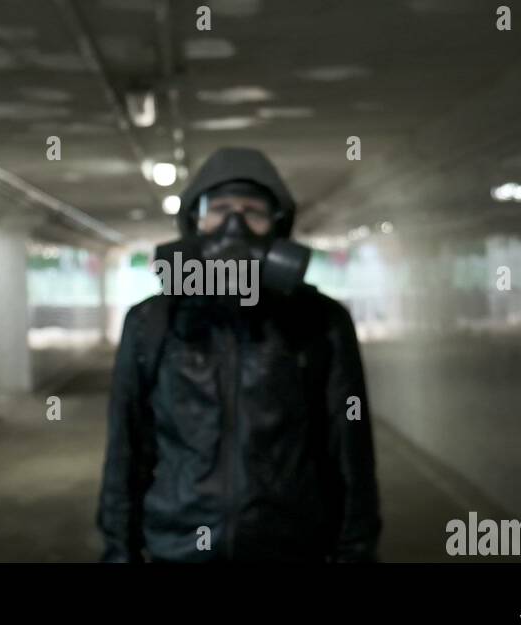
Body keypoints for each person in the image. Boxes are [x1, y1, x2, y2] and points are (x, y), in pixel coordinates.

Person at [96, 147, 382, 562]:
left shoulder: (320, 322)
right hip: (179, 548)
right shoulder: (152, 322)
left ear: (277, 226)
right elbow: (125, 450)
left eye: (254, 211)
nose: (235, 226)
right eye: (220, 209)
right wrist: (119, 553)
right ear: (194, 222)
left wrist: (356, 551)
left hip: (290, 549)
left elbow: (351, 450)